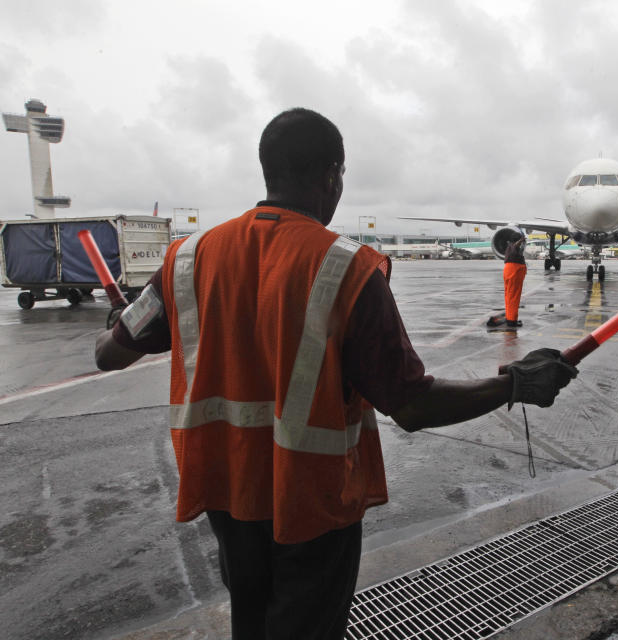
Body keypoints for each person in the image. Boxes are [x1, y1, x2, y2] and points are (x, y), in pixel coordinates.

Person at [93, 108, 577, 640]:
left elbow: (109, 354)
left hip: (227, 491)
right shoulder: (348, 267)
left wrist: (120, 321)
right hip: (313, 501)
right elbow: (412, 405)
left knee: (252, 620)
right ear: (332, 175)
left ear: (267, 171)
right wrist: (514, 383)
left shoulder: (186, 259)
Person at [503, 238, 527, 327]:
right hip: (515, 270)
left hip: (508, 269)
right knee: (514, 296)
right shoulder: (514, 247)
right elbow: (516, 246)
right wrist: (519, 242)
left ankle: (510, 318)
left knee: (509, 295)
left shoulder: (509, 248)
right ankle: (512, 321)